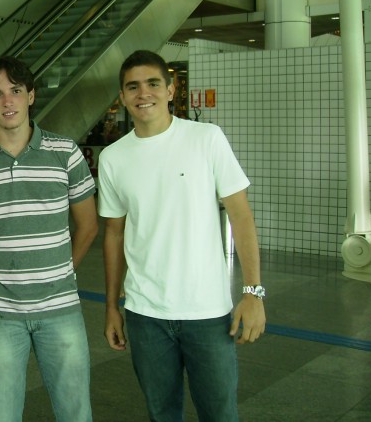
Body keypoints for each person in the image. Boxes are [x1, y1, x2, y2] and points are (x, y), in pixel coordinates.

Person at [98, 50, 266, 422]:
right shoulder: (113, 157)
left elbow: (241, 216)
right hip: (145, 314)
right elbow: (113, 233)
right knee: (162, 413)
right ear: (123, 97)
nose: (144, 93)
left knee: (219, 413)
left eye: (153, 83)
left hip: (207, 312)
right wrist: (112, 306)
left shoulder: (206, 139)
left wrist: (253, 292)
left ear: (171, 90)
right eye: (133, 87)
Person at [0, 56, 98, 421]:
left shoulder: (64, 152)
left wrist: (62, 270)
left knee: (76, 412)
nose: (7, 101)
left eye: (16, 91)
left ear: (31, 96)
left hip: (60, 310)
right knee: (2, 414)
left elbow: (87, 225)